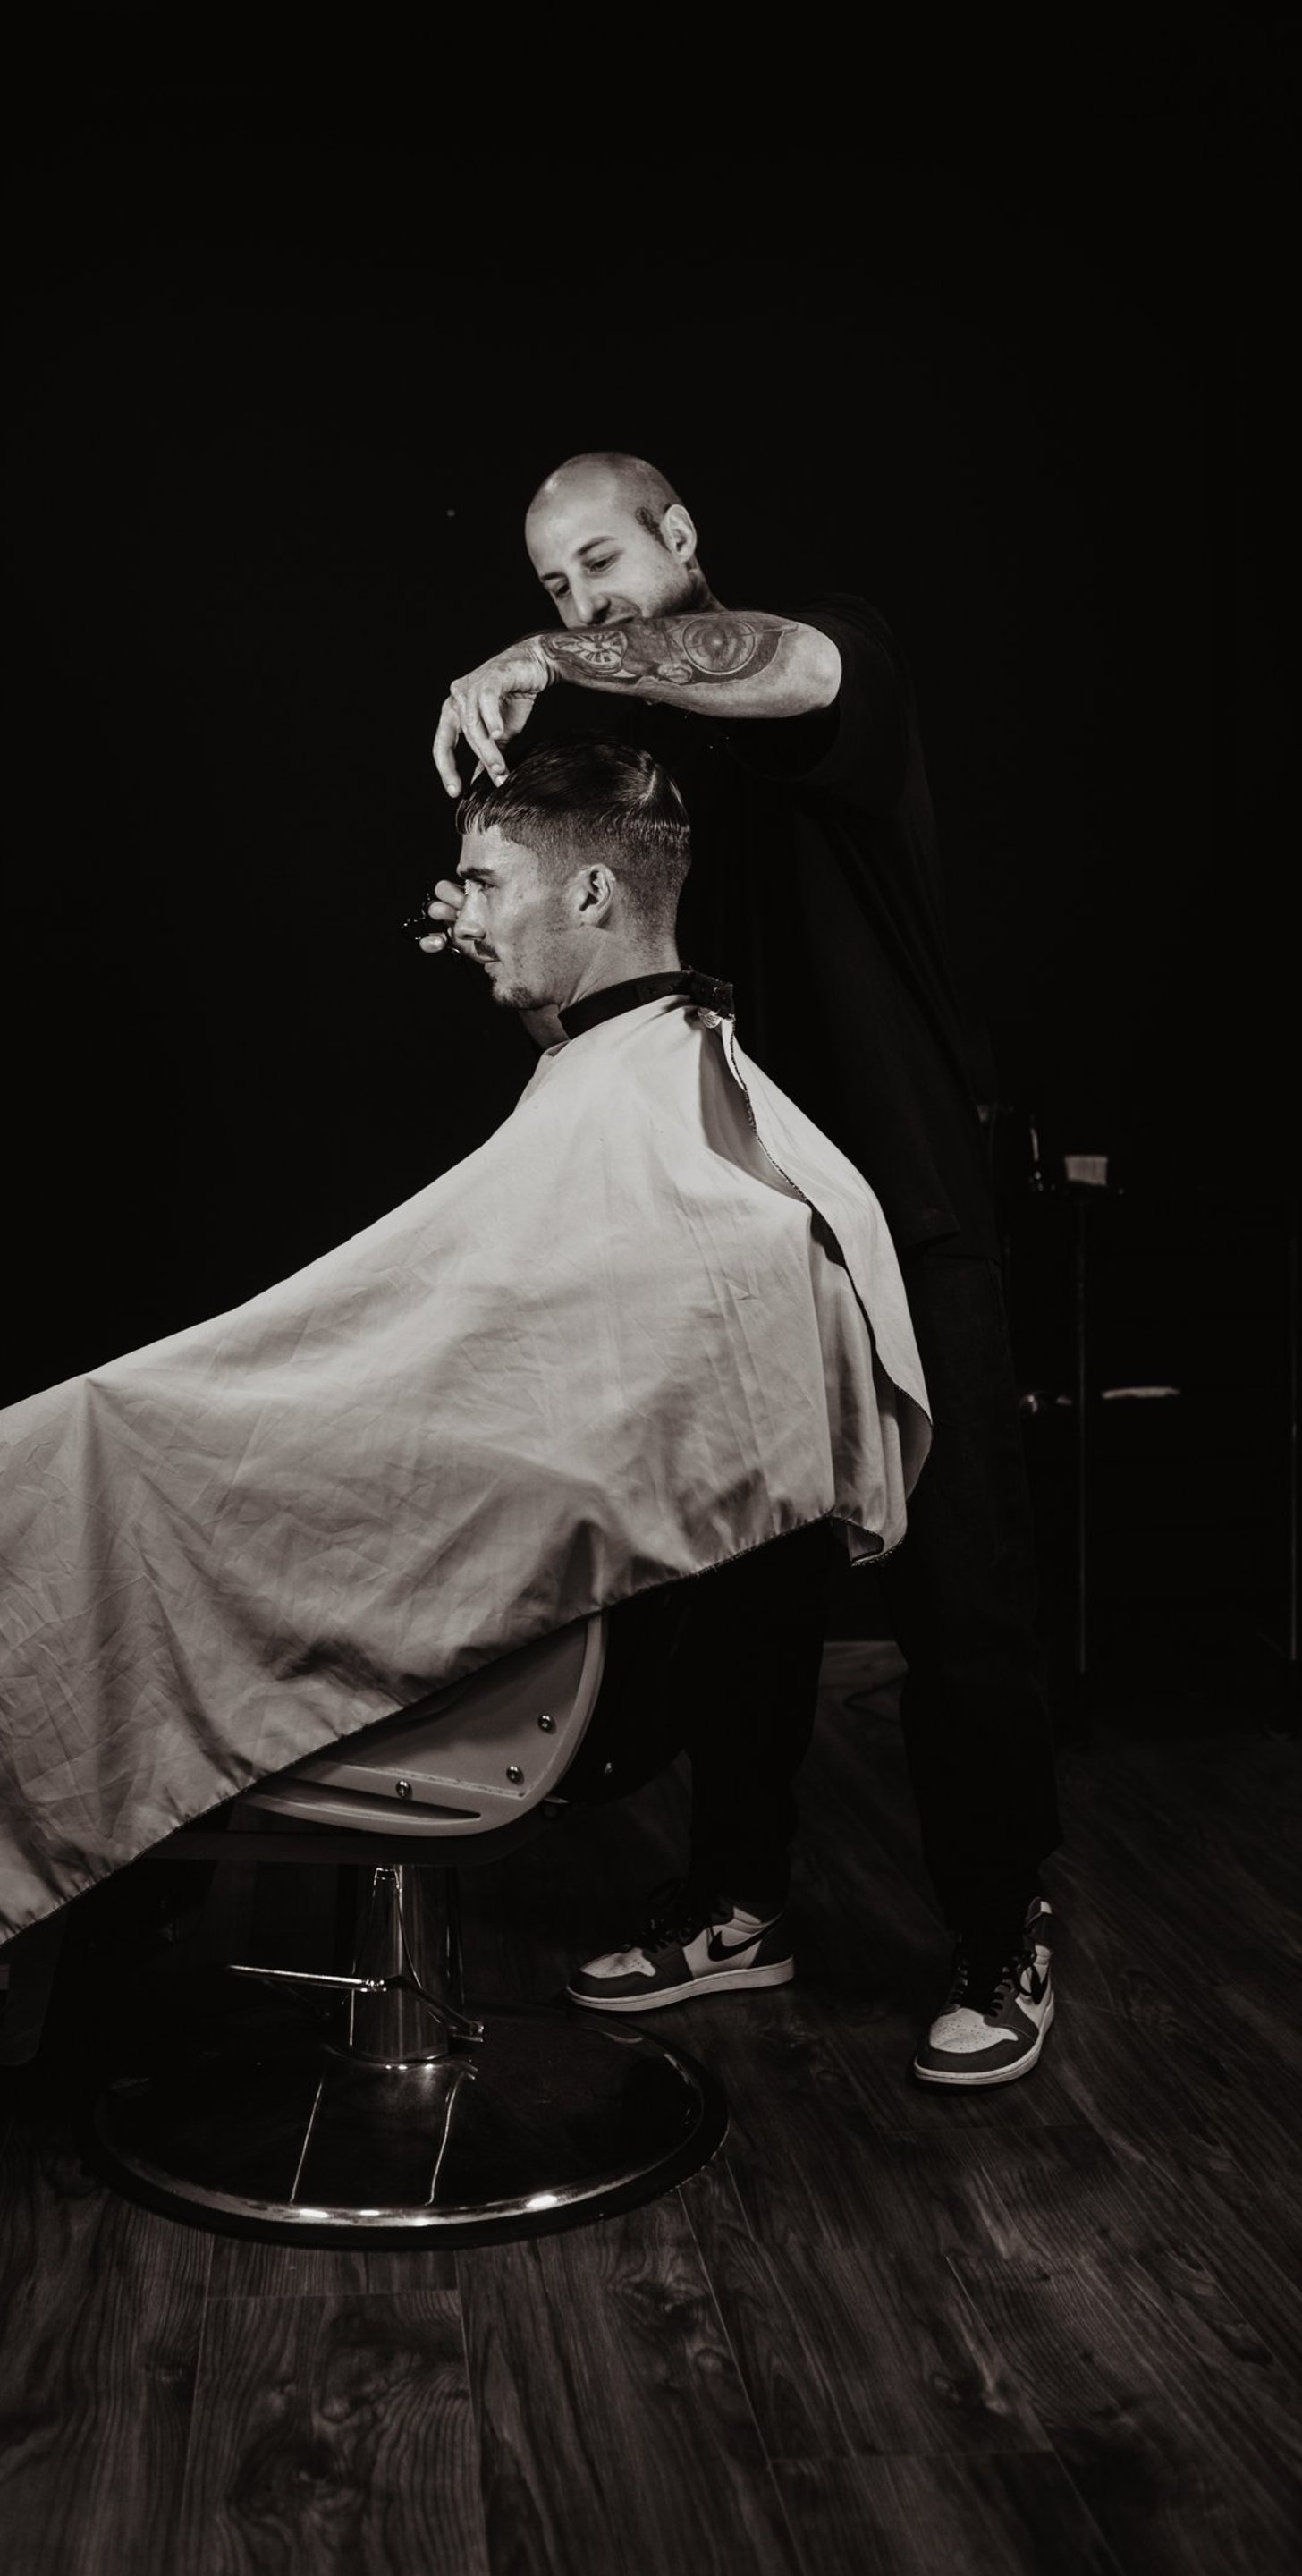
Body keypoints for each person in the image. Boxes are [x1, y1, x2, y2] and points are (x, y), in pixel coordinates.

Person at [0, 738, 928, 2044]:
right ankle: (32, 1911)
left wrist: (196, 1425)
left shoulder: (666, 1148)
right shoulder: (674, 1092)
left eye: (481, 884)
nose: (454, 917)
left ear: (592, 897)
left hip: (508, 1669)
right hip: (496, 1563)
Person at [421, 452, 1060, 2088]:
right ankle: (737, 1904)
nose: (580, 604)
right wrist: (510, 937)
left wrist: (539, 656)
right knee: (740, 1591)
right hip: (731, 1225)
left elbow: (774, 665)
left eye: (600, 562)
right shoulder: (628, 776)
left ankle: (1004, 1932)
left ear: (680, 535)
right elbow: (609, 996)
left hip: (905, 1205)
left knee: (958, 1595)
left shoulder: (820, 655)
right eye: (553, 589)